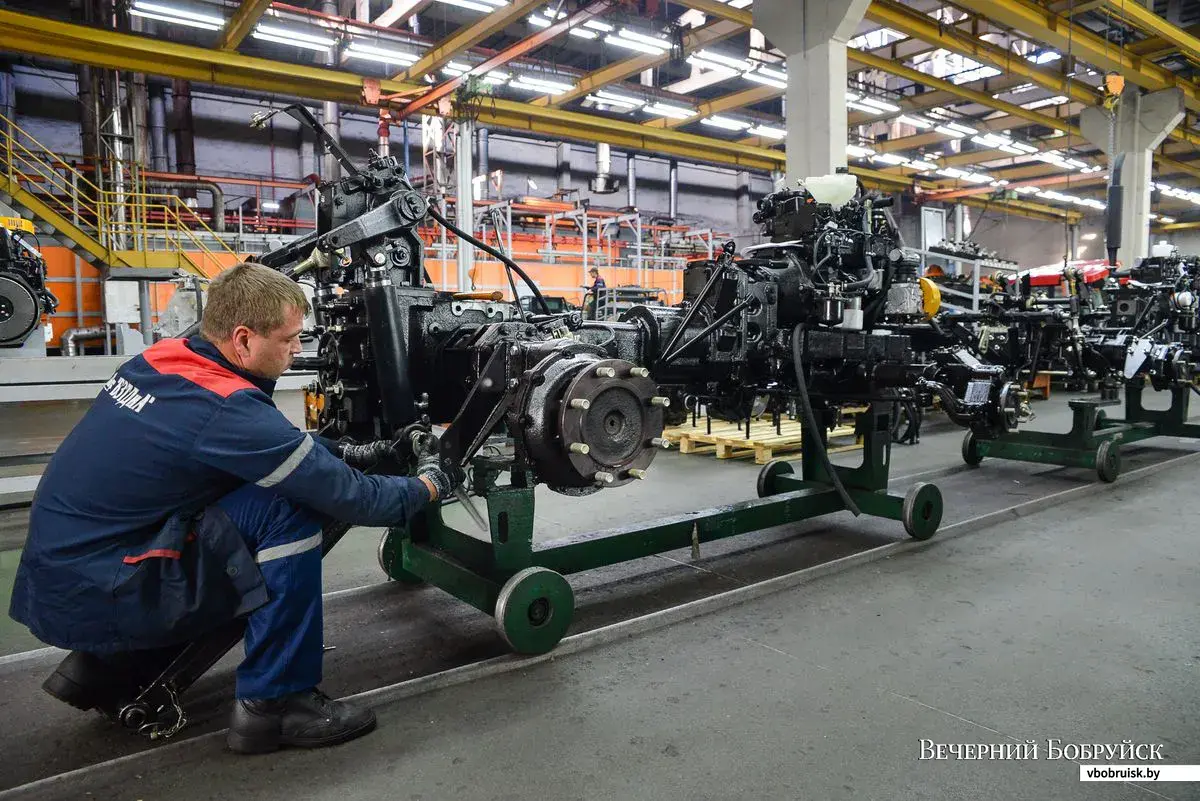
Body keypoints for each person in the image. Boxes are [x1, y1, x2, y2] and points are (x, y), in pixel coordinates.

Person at [9, 262, 457, 754]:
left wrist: (351, 453)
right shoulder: (227, 409)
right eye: (288, 340)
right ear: (243, 340)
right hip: (111, 592)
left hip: (66, 578)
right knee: (289, 508)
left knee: (266, 490)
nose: (297, 351)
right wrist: (430, 485)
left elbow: (256, 448)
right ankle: (276, 705)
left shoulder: (164, 361)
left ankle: (98, 666)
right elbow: (356, 499)